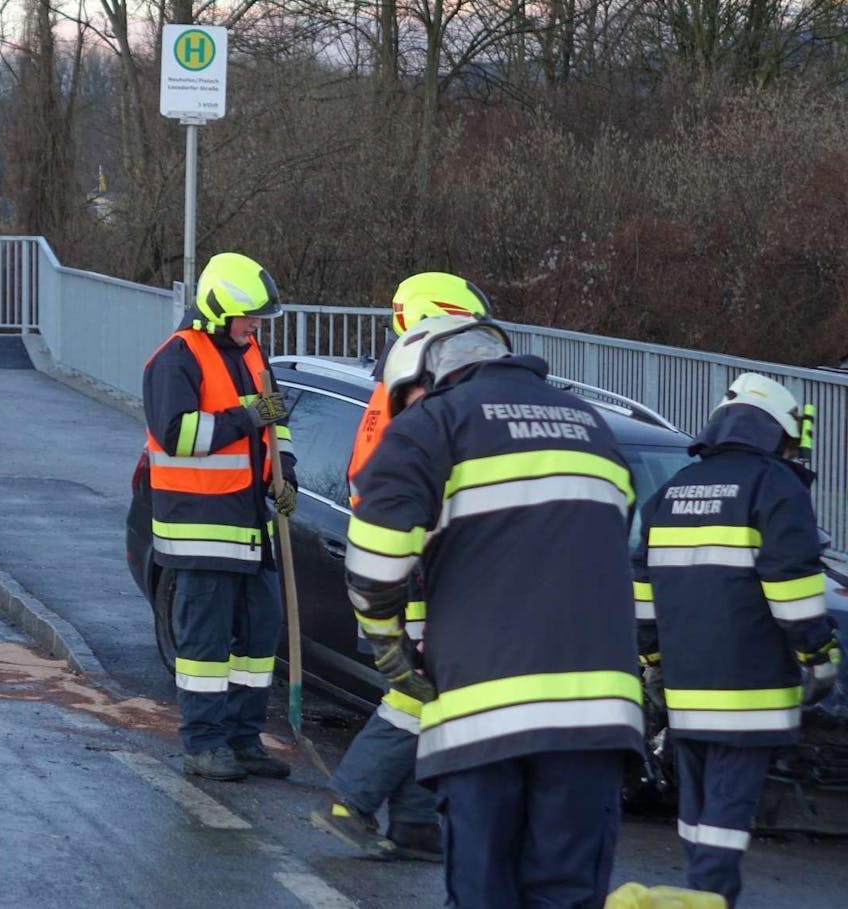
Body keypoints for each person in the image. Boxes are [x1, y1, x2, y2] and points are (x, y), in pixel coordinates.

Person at [346, 313, 643, 908]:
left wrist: (388, 643)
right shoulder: (594, 426)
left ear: (419, 382)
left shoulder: (436, 421)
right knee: (567, 895)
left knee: (485, 895)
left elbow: (376, 559)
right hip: (596, 718)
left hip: (485, 716)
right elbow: (615, 546)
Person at [634, 373, 841, 906]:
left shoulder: (671, 491)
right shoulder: (775, 487)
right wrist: (818, 656)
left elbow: (641, 592)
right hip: (750, 690)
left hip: (683, 686)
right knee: (728, 810)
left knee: (697, 808)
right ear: (776, 431)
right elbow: (793, 585)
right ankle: (708, 898)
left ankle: (695, 891)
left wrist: (654, 661)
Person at [310, 272, 493, 862]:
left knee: (427, 696)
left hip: (406, 566)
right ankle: (349, 799)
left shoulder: (394, 393)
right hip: (417, 571)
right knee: (420, 694)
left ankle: (414, 823)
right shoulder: (417, 404)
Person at [142, 252, 298, 782]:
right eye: (249, 316)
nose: (256, 325)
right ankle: (204, 745)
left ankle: (243, 739)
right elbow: (179, 436)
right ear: (216, 311)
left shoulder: (251, 351)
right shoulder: (176, 358)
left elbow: (278, 428)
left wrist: (288, 476)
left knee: (259, 640)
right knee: (205, 647)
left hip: (252, 526)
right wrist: (249, 415)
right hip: (200, 529)